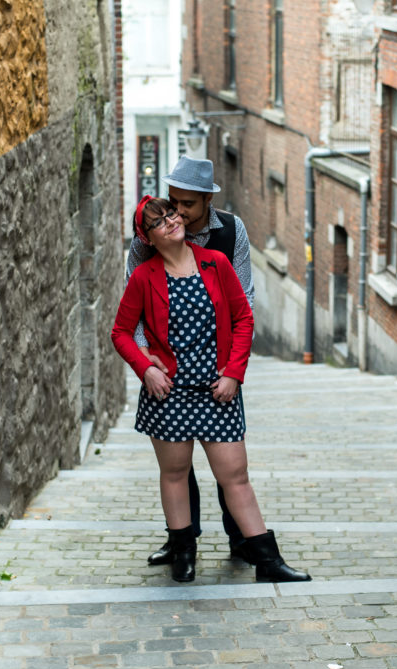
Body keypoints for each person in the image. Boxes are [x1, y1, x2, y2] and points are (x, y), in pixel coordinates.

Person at [112, 196, 310, 584]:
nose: (171, 221)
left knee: (235, 475)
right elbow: (120, 332)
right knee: (174, 473)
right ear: (148, 238)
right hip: (168, 395)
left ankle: (267, 560)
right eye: (159, 221)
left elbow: (243, 318)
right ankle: (183, 553)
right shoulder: (144, 277)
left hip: (217, 391)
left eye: (171, 213)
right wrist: (145, 369)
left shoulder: (214, 263)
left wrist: (235, 372)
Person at [125, 156, 255, 567]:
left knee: (226, 465)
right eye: (173, 202)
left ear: (207, 202)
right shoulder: (147, 237)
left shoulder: (230, 233)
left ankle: (243, 541)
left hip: (216, 372)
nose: (177, 212)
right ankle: (183, 542)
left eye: (187, 205)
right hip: (169, 374)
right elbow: (135, 306)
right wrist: (147, 361)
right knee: (178, 465)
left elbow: (244, 301)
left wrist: (233, 368)